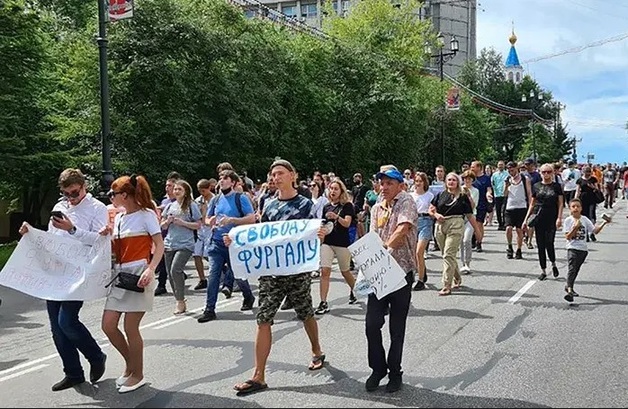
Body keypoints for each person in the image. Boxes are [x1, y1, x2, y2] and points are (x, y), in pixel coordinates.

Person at [231, 159, 325, 396]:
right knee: (263, 318)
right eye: (273, 174)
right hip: (271, 274)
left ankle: (316, 350)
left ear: (293, 175)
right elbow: (260, 237)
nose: (276, 177)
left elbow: (315, 235)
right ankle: (259, 375)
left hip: (296, 272)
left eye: (281, 173)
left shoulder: (306, 205)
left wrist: (320, 235)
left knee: (305, 313)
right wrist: (236, 242)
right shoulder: (268, 204)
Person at [18, 169, 108, 391]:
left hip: (78, 273)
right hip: (56, 273)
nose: (71, 198)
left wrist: (73, 230)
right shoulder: (59, 207)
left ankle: (96, 356)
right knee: (56, 328)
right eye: (66, 194)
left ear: (84, 186)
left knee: (66, 321)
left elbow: (100, 242)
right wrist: (31, 234)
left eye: (74, 193)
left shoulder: (97, 208)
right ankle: (73, 373)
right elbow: (51, 239)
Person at [100, 174, 164, 393]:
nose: (110, 197)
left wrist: (150, 268)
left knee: (130, 327)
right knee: (108, 325)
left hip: (139, 275)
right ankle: (131, 365)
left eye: (113, 193)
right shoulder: (118, 217)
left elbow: (159, 245)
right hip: (120, 276)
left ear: (124, 195)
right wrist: (106, 237)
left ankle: (137, 374)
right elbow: (117, 251)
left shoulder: (147, 215)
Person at [364, 167, 417, 393]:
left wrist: (385, 249)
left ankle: (395, 372)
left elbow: (403, 228)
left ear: (399, 185)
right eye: (381, 183)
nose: (383, 187)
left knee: (397, 326)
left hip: (401, 270)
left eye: (388, 183)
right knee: (372, 324)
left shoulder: (406, 201)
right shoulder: (377, 207)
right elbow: (373, 236)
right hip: (380, 272)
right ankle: (378, 368)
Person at [197, 170, 257, 323]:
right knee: (213, 275)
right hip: (216, 243)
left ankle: (248, 296)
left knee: (238, 274)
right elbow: (208, 218)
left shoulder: (240, 198)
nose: (221, 181)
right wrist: (210, 221)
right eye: (220, 178)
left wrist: (232, 220)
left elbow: (251, 218)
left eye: (225, 179)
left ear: (233, 182)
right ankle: (209, 309)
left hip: (234, 243)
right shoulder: (215, 200)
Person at [429, 172, 481, 295]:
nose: (451, 182)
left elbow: (470, 214)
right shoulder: (440, 195)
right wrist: (436, 215)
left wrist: (477, 231)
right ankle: (457, 276)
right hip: (441, 225)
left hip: (456, 223)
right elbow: (431, 209)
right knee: (446, 255)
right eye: (449, 180)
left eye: (454, 180)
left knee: (448, 254)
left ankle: (446, 285)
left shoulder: (462, 196)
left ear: (458, 182)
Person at [161, 180, 202, 315]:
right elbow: (162, 225)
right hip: (170, 243)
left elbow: (198, 225)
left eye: (180, 189)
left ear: (185, 192)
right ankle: (179, 300)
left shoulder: (191, 206)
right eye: (175, 189)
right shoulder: (170, 206)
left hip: (185, 243)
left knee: (175, 270)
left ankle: (180, 300)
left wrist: (183, 223)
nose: (176, 191)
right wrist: (167, 222)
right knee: (170, 274)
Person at [316, 179, 357, 314]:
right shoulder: (326, 206)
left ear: (341, 191)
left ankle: (355, 289)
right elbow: (323, 224)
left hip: (342, 242)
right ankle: (323, 302)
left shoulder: (347, 206)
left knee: (345, 271)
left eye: (336, 189)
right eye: (331, 188)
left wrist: (336, 217)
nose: (333, 191)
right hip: (327, 242)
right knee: (325, 271)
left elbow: (347, 223)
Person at [563, 199, 610, 302]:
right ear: (570, 208)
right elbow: (567, 236)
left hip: (583, 250)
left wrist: (604, 222)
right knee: (572, 268)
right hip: (572, 248)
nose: (576, 208)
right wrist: (575, 228)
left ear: (581, 208)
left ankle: (569, 286)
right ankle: (570, 291)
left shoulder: (585, 219)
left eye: (578, 206)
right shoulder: (568, 220)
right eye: (573, 206)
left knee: (576, 269)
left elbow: (595, 231)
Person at [524, 163, 564, 281]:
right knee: (540, 245)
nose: (546, 174)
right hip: (539, 217)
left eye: (549, 172)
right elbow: (532, 203)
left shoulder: (556, 186)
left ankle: (553, 263)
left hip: (551, 216)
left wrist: (559, 218)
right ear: (540, 173)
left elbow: (560, 203)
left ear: (552, 173)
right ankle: (543, 270)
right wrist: (526, 219)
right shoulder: (536, 186)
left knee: (549, 243)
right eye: (544, 172)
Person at [410, 172, 433, 290]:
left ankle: (420, 280)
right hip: (413, 223)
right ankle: (422, 272)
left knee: (419, 252)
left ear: (424, 183)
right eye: (416, 181)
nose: (418, 183)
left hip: (426, 221)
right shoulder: (410, 196)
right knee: (414, 253)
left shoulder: (429, 196)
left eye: (420, 181)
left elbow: (432, 210)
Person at [192, 179, 214, 291]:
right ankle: (202, 279)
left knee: (208, 255)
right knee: (196, 254)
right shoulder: (198, 201)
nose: (202, 193)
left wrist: (205, 211)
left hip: (210, 229)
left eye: (204, 191)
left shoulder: (215, 200)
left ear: (209, 188)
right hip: (200, 230)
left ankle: (219, 273)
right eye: (200, 191)